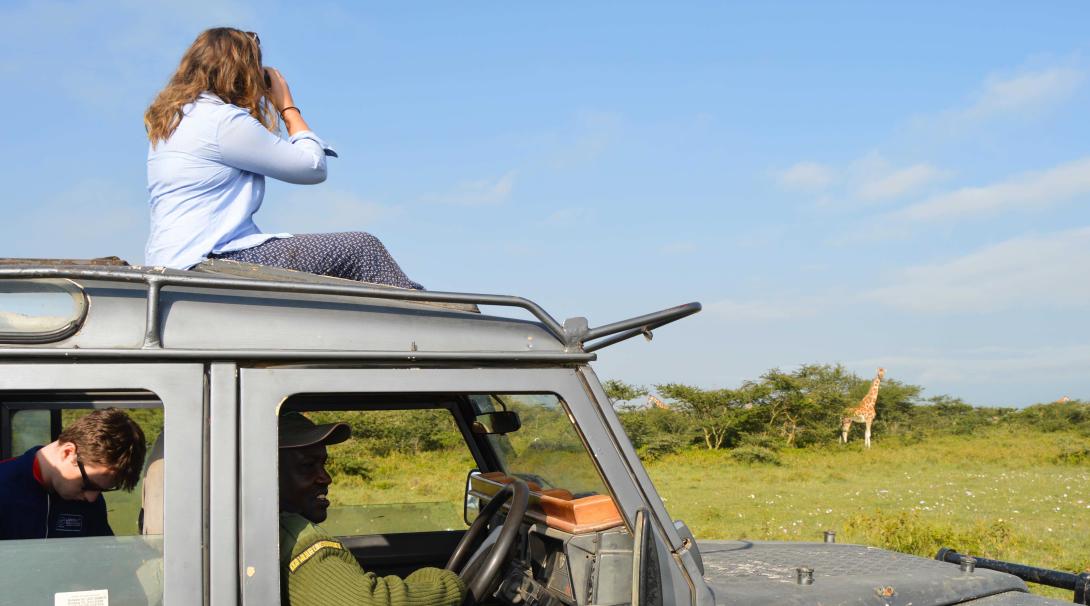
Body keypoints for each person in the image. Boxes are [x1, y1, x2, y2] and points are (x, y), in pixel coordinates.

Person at [143, 27, 423, 290]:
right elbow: (312, 168)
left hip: (172, 259)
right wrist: (287, 106)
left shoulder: (174, 121)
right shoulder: (222, 122)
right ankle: (429, 319)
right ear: (242, 73)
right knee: (362, 248)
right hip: (210, 259)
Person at [278, 412, 465, 606]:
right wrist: (453, 584)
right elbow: (369, 602)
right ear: (268, 473)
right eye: (307, 466)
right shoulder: (300, 541)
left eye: (323, 464)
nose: (326, 478)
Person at [0, 408, 147, 540]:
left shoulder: (92, 502)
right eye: (87, 485)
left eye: (103, 490)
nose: (91, 498)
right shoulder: (5, 486)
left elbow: (104, 560)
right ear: (68, 452)